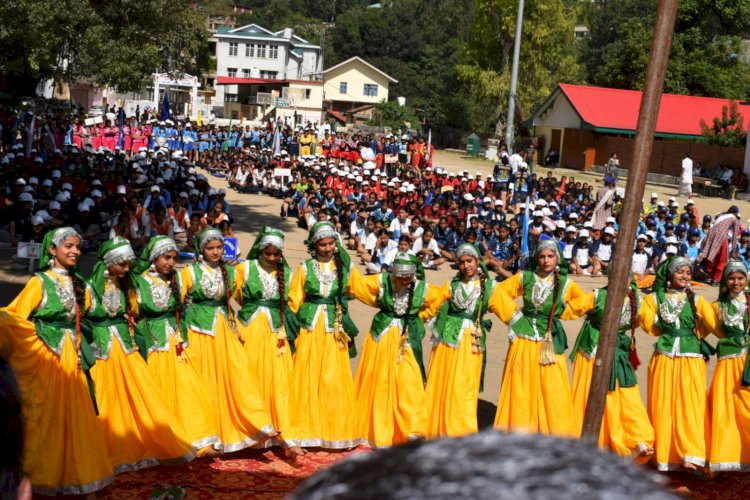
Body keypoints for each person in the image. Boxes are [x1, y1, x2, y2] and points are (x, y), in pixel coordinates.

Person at [0, 227, 113, 495]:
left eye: (77, 246)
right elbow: (15, 316)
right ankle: (42, 476)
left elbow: (94, 311)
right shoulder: (39, 282)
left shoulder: (80, 283)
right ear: (52, 250)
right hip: (48, 358)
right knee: (47, 418)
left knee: (74, 416)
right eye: (68, 247)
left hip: (72, 359)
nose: (75, 251)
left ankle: (74, 473)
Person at [84, 237, 195, 473]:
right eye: (122, 264)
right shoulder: (88, 288)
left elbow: (133, 310)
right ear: (109, 263)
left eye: (128, 264)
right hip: (103, 351)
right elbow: (79, 318)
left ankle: (143, 443)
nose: (127, 269)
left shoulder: (127, 285)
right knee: (107, 398)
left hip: (127, 347)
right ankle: (105, 451)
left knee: (141, 397)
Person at [180, 229, 277, 453]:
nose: (215, 252)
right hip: (199, 330)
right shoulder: (190, 272)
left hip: (224, 328)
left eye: (219, 247)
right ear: (201, 249)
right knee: (204, 380)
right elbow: (179, 300)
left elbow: (241, 297)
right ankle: (205, 435)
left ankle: (247, 426)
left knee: (235, 374)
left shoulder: (231, 273)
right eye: (210, 248)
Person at [129, 236, 219, 455]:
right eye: (166, 258)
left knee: (188, 390)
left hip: (177, 341)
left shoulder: (175, 279)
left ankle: (198, 440)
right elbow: (132, 312)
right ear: (153, 258)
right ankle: (165, 441)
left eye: (173, 258)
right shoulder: (138, 282)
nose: (170, 263)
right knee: (160, 392)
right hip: (154, 342)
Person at [348, 253, 444, 447]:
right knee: (379, 381)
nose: (402, 279)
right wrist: (376, 301)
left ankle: (412, 428)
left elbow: (441, 299)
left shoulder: (422, 289)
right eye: (399, 275)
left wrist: (420, 317)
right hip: (381, 338)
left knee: (409, 382)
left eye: (407, 275)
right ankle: (377, 430)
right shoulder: (383, 281)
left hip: (406, 340)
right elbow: (358, 285)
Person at [492, 240, 584, 437]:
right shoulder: (525, 277)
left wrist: (561, 313)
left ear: (557, 258)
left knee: (553, 387)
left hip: (549, 341)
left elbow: (581, 303)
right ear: (536, 258)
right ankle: (520, 432)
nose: (546, 260)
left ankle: (552, 433)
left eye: (550, 256)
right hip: (524, 338)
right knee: (521, 385)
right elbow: (498, 292)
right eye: (542, 256)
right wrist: (513, 317)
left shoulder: (567, 284)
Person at [286, 222, 364, 449]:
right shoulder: (305, 267)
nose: (328, 248)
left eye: (331, 244)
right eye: (323, 244)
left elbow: (361, 287)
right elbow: (294, 300)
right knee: (306, 375)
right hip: (310, 328)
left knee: (332, 377)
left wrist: (392, 286)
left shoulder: (345, 268)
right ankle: (302, 432)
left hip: (334, 328)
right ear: (314, 246)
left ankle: (335, 431)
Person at [637, 256, 718, 471]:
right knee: (663, 404)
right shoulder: (654, 299)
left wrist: (696, 335)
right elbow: (647, 324)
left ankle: (691, 453)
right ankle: (666, 455)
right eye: (680, 272)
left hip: (691, 359)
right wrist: (662, 327)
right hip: (664, 356)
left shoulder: (698, 300)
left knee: (691, 405)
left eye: (688, 272)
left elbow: (712, 324)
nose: (684, 276)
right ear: (670, 275)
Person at [562, 279, 654, 458]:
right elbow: (569, 310)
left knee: (625, 394)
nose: (623, 280)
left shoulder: (637, 300)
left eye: (627, 276)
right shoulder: (598, 295)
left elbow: (653, 325)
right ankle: (592, 441)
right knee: (588, 394)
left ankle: (635, 439)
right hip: (592, 351)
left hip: (619, 351)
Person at [235, 227, 303, 457]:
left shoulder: (287, 273)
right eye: (268, 254)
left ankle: (280, 431)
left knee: (278, 380)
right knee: (250, 375)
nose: (273, 259)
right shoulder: (244, 268)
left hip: (276, 332)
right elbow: (235, 294)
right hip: (251, 329)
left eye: (276, 255)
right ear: (260, 252)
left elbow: (292, 301)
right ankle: (250, 430)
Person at [423, 244, 497, 439]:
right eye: (462, 262)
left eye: (469, 261)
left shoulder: (489, 287)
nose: (465, 266)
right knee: (442, 381)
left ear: (477, 261)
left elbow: (507, 308)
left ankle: (461, 432)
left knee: (465, 386)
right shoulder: (451, 285)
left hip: (471, 342)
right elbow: (434, 302)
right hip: (447, 341)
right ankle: (436, 428)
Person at [708, 260, 750, 472]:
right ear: (725, 280)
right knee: (724, 407)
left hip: (747, 361)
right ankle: (728, 455)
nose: (736, 282)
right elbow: (705, 328)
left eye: (740, 278)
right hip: (726, 361)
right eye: (732, 278)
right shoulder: (717, 307)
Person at [701, 206, 741, 285]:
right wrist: (733, 250)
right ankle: (716, 279)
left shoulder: (721, 216)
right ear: (736, 214)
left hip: (710, 235)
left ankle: (710, 276)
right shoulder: (734, 219)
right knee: (722, 260)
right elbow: (735, 235)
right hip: (721, 237)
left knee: (711, 257)